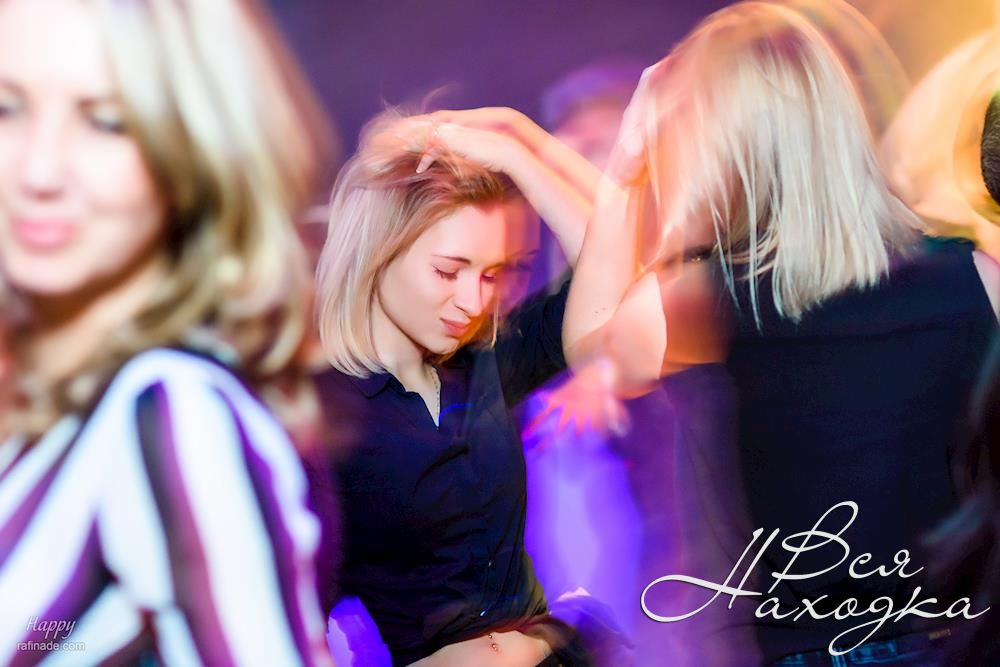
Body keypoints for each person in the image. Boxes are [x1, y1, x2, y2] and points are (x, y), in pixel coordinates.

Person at [563, 1, 999, 665]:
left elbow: (591, 348)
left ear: (722, 146)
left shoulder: (704, 300)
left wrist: (627, 167)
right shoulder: (976, 276)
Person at [0, 0, 335, 664]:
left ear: (193, 153)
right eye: (6, 108)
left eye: (107, 121)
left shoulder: (174, 412)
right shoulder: (55, 400)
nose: (38, 170)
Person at [308, 107, 602, 666]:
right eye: (448, 271)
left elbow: (613, 275)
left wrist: (520, 152)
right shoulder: (321, 412)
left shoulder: (487, 361)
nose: (474, 301)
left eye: (490, 274)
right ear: (377, 254)